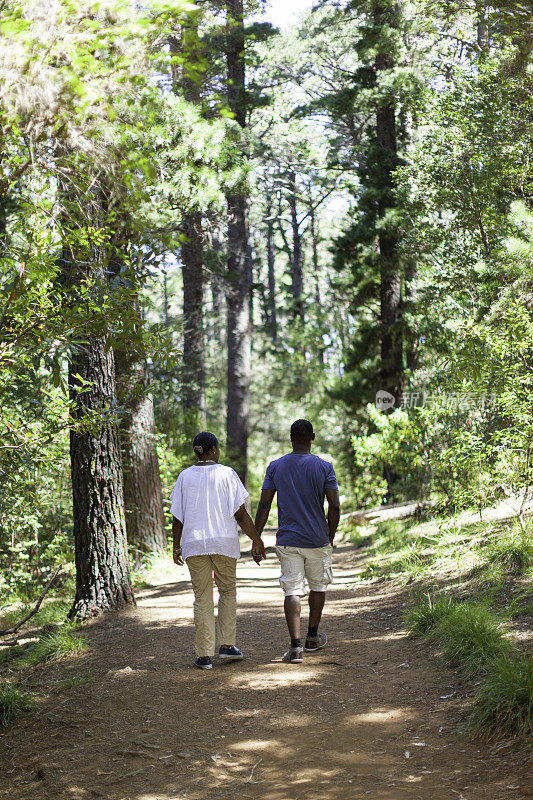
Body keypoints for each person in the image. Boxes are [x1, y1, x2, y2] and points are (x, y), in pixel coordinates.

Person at [170, 431, 265, 670]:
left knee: (202, 598)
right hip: (223, 543)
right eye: (218, 448)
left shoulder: (184, 476)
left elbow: (177, 517)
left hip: (194, 544)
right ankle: (226, 646)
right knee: (227, 592)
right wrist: (256, 540)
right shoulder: (227, 474)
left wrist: (176, 546)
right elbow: (240, 514)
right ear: (213, 450)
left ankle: (203, 656)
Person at [254, 419, 341, 663]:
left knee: (292, 590)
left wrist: (256, 537)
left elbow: (264, 504)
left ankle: (295, 648)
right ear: (312, 437)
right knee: (318, 586)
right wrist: (330, 535)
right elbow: (334, 506)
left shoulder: (275, 466)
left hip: (288, 539)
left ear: (290, 438)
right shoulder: (325, 467)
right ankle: (312, 637)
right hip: (317, 539)